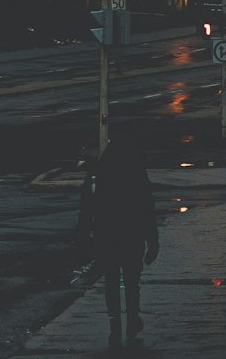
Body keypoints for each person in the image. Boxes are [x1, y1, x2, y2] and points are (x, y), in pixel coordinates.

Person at [77, 131, 160, 349]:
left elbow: (87, 205)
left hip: (106, 235)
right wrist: (153, 240)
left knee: (111, 281)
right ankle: (132, 318)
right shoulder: (133, 166)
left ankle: (115, 322)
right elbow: (146, 206)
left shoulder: (97, 170)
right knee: (132, 280)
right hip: (132, 234)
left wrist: (84, 235)